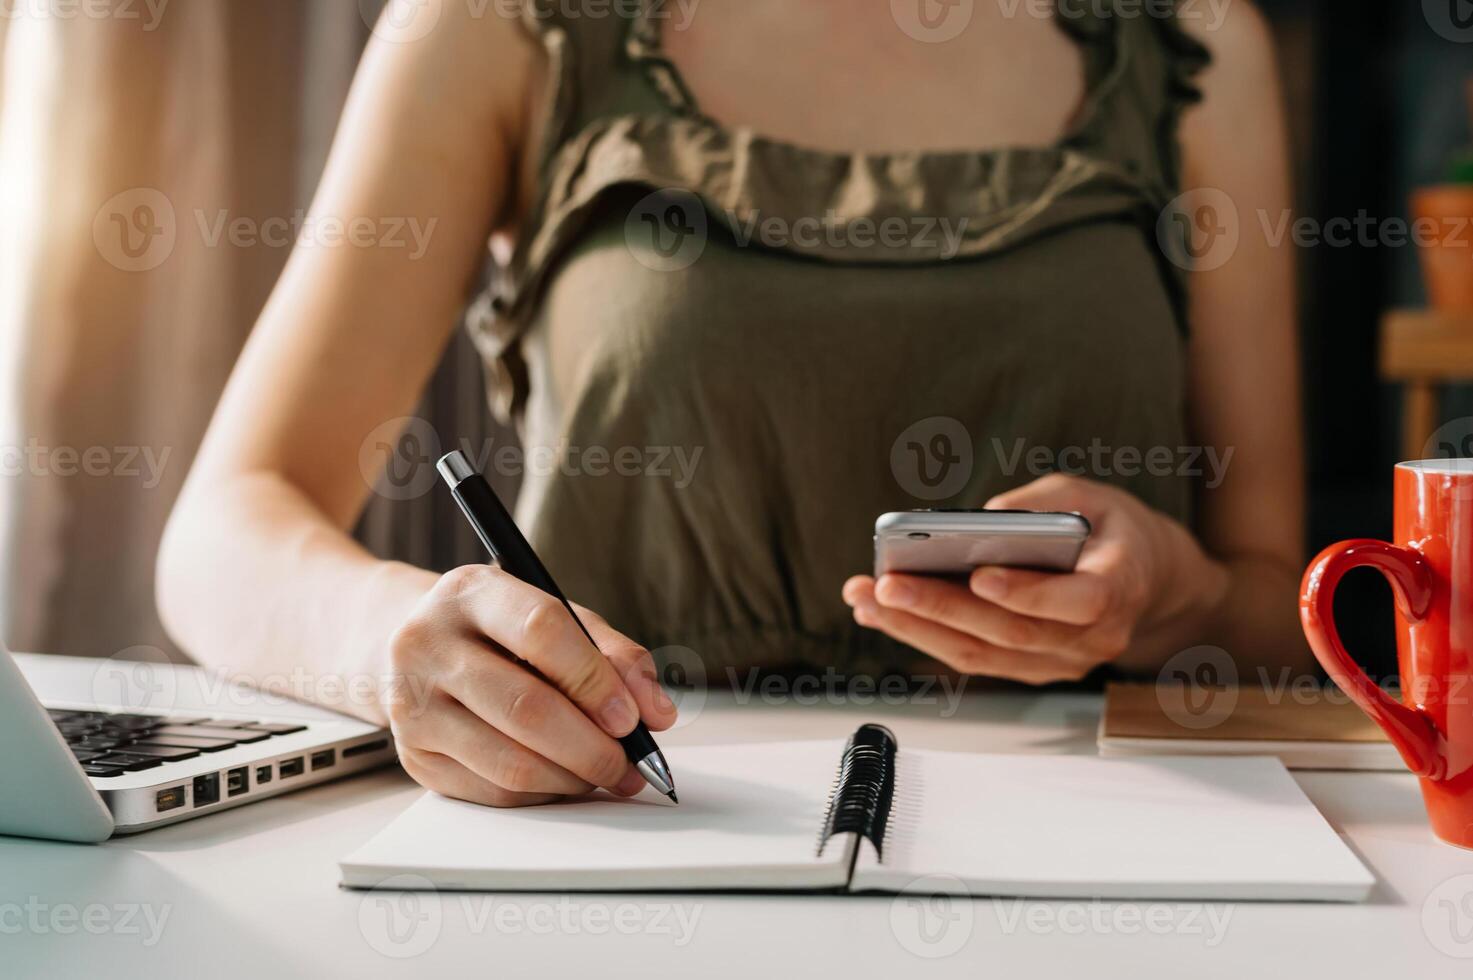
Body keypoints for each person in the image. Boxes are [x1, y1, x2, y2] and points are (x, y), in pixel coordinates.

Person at [157, 0, 1308, 808]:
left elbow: (1280, 606)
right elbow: (222, 529)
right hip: (621, 828)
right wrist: (388, 641)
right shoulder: (497, 23)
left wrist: (1171, 600)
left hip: (1115, 845)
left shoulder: (1194, 43)